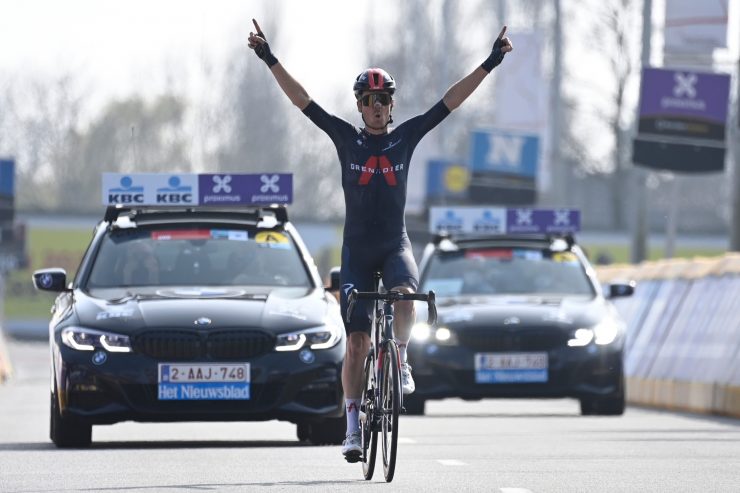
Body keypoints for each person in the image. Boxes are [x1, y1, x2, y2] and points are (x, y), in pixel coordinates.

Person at [248, 19, 512, 462]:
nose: (376, 107)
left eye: (383, 100)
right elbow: (302, 101)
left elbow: (450, 102)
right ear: (359, 105)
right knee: (356, 344)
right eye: (369, 100)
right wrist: (269, 57)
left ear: (391, 106)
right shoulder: (344, 138)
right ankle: (352, 426)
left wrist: (491, 61)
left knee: (406, 297)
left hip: (394, 245)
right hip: (357, 250)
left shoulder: (406, 136)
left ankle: (402, 359)